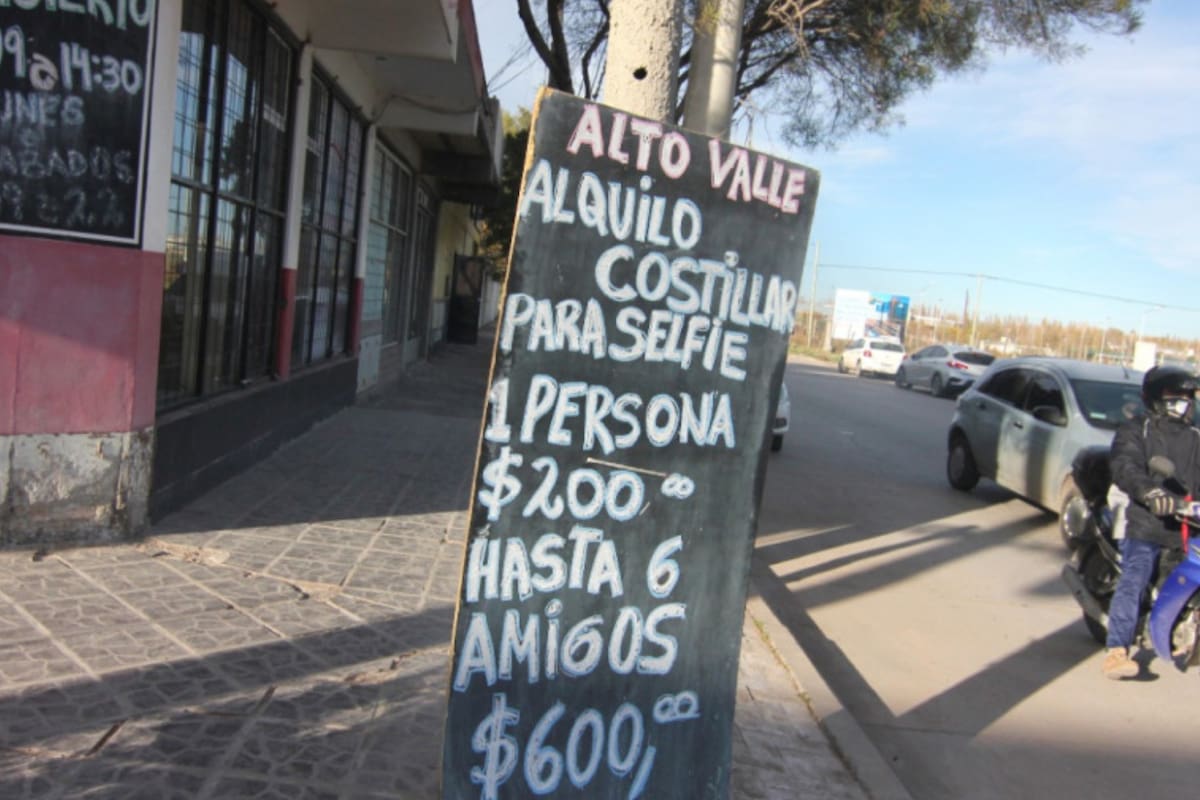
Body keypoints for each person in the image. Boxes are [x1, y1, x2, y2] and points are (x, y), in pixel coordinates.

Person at [1102, 365, 1200, 679]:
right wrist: (1149, 491)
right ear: (1157, 398)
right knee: (1137, 576)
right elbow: (1125, 464)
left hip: (1186, 528)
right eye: (1177, 396)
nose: (1185, 402)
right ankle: (1117, 651)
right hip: (1146, 523)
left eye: (1189, 396)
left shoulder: (1196, 436)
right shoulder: (1137, 429)